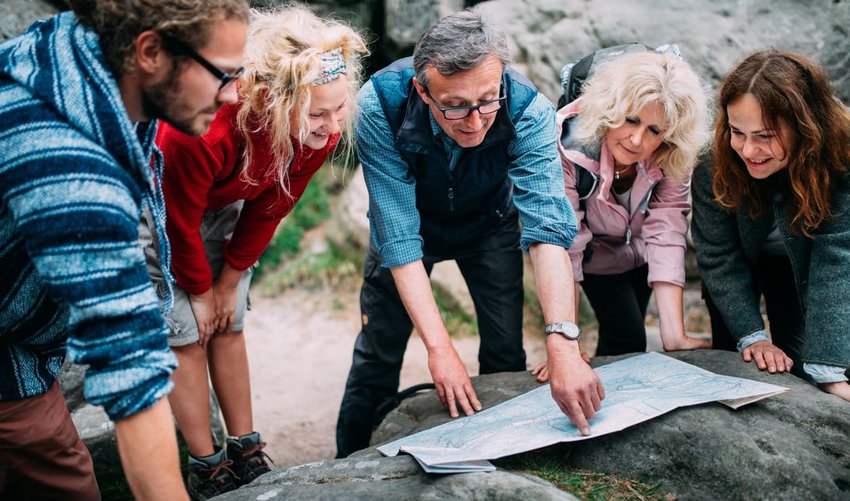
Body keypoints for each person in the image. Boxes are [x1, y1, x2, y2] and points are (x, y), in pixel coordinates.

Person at [0, 0, 249, 500]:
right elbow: (130, 372)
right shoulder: (70, 173)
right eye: (224, 74)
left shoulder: (77, 56)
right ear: (151, 51)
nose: (234, 94)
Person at [336, 9, 604, 459]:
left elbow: (548, 228)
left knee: (504, 351)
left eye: (487, 100)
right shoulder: (379, 103)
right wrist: (439, 349)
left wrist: (563, 341)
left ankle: (512, 455)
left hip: (489, 223)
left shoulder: (526, 107)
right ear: (422, 89)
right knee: (377, 355)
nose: (476, 121)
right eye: (455, 105)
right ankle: (347, 464)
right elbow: (399, 240)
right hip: (407, 222)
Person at [148, 6, 368, 498]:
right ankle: (207, 464)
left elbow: (271, 207)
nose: (333, 127)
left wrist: (228, 282)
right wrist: (200, 291)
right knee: (186, 331)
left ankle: (245, 447)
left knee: (229, 322)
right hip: (159, 206)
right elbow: (178, 222)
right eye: (318, 113)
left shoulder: (316, 129)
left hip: (225, 199)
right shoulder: (204, 129)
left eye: (339, 110)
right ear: (272, 99)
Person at [691, 49, 850, 402]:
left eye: (765, 135)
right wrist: (753, 336)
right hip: (737, 268)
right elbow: (719, 257)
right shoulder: (711, 163)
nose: (748, 150)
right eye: (737, 132)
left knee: (808, 366)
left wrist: (827, 368)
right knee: (740, 362)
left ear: (804, 125)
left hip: (808, 264)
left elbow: (836, 256)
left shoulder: (840, 155)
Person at [551, 50, 711, 360]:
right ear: (611, 108)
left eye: (654, 130)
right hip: (593, 253)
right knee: (629, 335)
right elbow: (566, 241)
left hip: (641, 252)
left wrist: (674, 335)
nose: (637, 140)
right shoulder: (568, 145)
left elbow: (666, 229)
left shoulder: (673, 153)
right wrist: (565, 344)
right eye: (631, 120)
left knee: (624, 336)